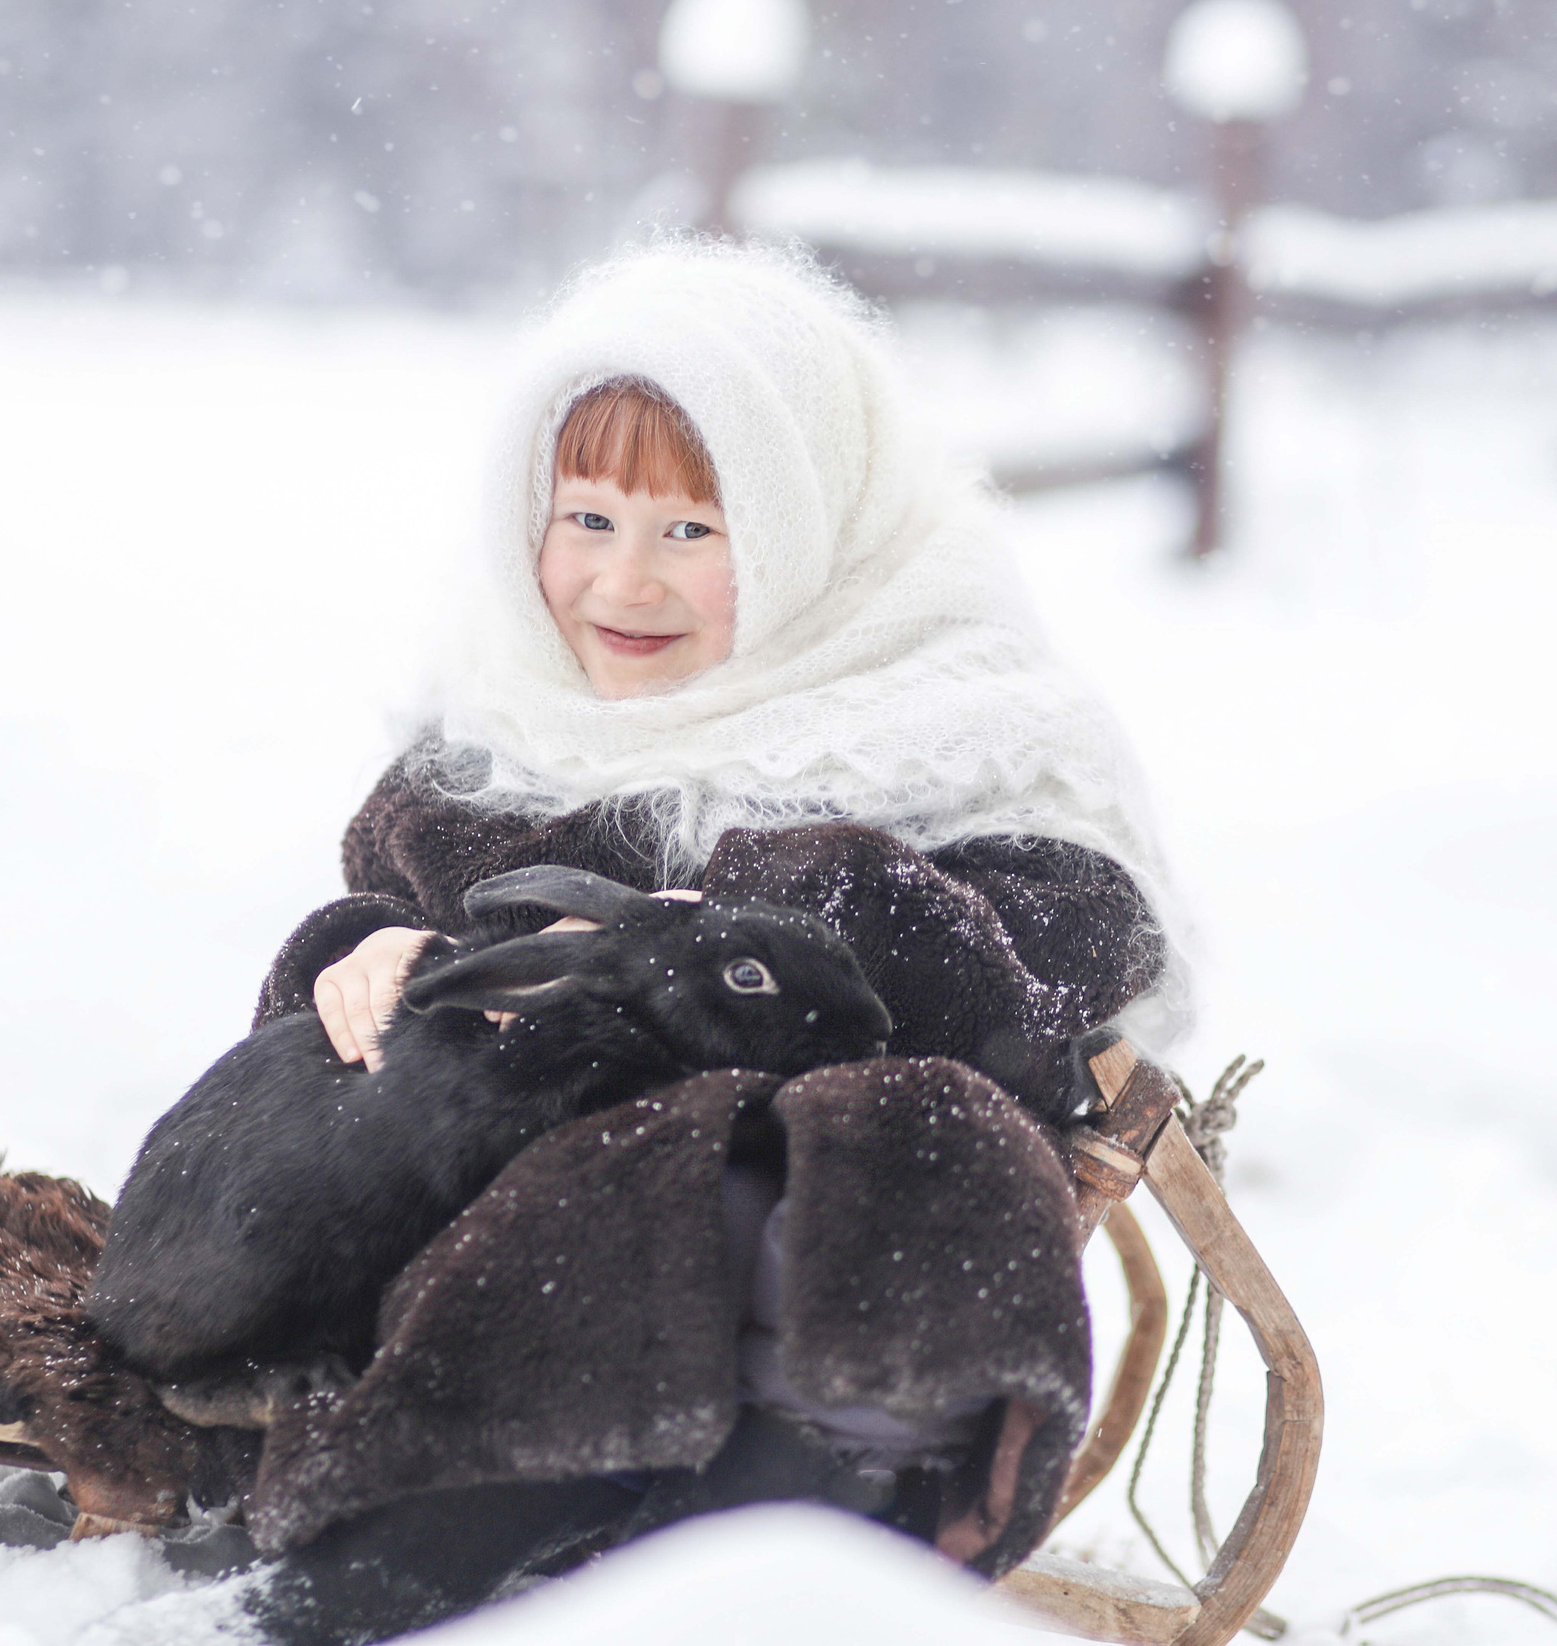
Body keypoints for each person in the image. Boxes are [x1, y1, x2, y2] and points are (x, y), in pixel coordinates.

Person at [237, 240, 1184, 1641]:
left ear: (806, 526)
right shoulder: (499, 735)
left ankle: (767, 1550)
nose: (625, 584)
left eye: (693, 532)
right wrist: (367, 953)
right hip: (492, 1280)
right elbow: (401, 911)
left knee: (869, 1150)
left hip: (794, 1281)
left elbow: (1064, 948)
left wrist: (734, 927)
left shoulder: (953, 712)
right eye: (588, 519)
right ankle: (404, 1533)